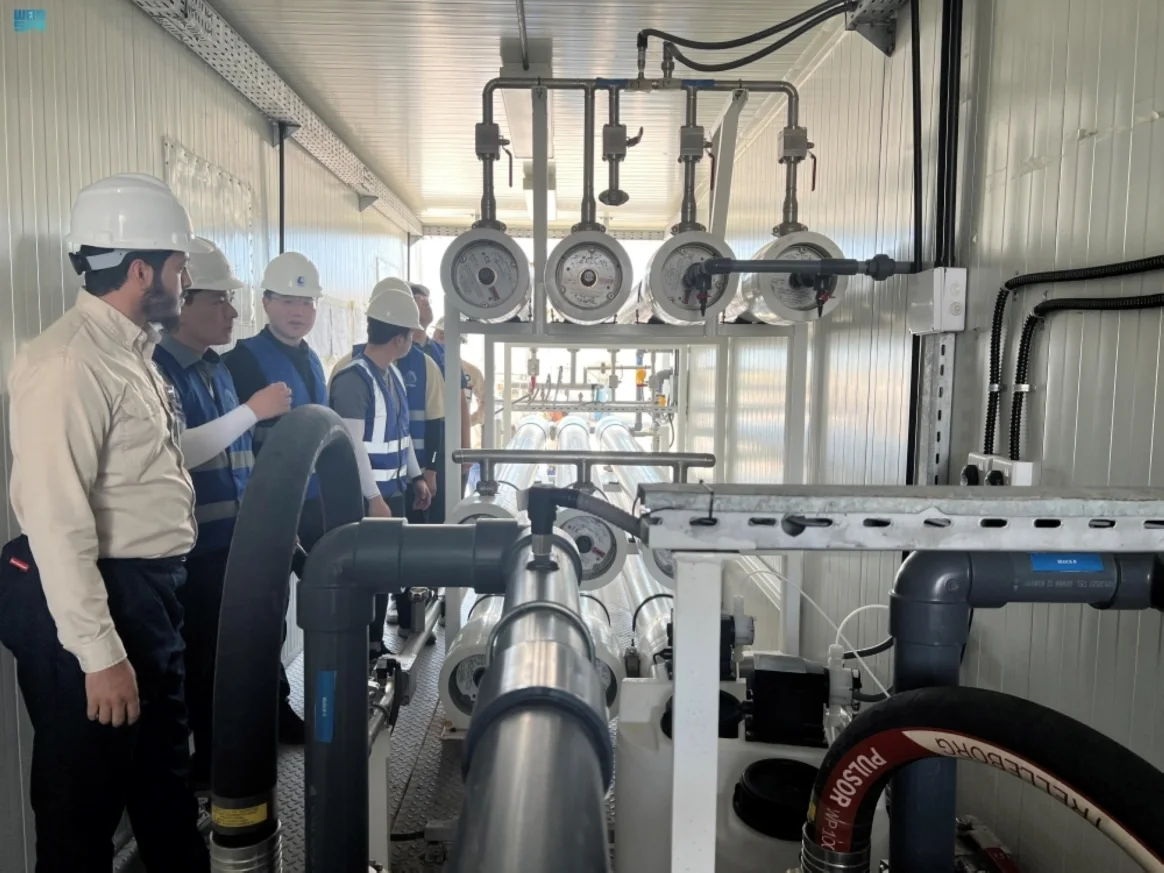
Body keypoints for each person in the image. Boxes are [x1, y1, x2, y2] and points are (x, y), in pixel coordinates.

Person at [0, 173, 210, 871]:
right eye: (179, 266)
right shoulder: (68, 362)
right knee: (80, 813)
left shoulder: (130, 355)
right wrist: (100, 654)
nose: (186, 281)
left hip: (147, 596)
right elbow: (55, 521)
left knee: (165, 788)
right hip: (97, 601)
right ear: (142, 269)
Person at [152, 239, 304, 788]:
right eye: (219, 301)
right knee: (206, 665)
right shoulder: (159, 371)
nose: (231, 313)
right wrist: (252, 410)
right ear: (183, 302)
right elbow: (178, 450)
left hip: (238, 542)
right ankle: (218, 773)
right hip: (196, 552)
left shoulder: (216, 370)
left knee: (248, 649)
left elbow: (241, 462)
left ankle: (249, 747)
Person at [329, 279, 433, 655]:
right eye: (410, 335)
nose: (412, 342)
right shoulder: (354, 379)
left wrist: (416, 477)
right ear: (400, 338)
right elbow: (352, 445)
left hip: (392, 493)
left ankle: (374, 644)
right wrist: (373, 497)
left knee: (385, 572)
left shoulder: (391, 375)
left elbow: (402, 435)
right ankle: (362, 648)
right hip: (366, 499)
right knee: (365, 575)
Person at [222, 251, 330, 548]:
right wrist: (263, 514)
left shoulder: (313, 361)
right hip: (271, 506)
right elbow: (236, 452)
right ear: (266, 302)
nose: (298, 312)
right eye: (287, 301)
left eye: (307, 302)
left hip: (314, 502)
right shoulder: (240, 362)